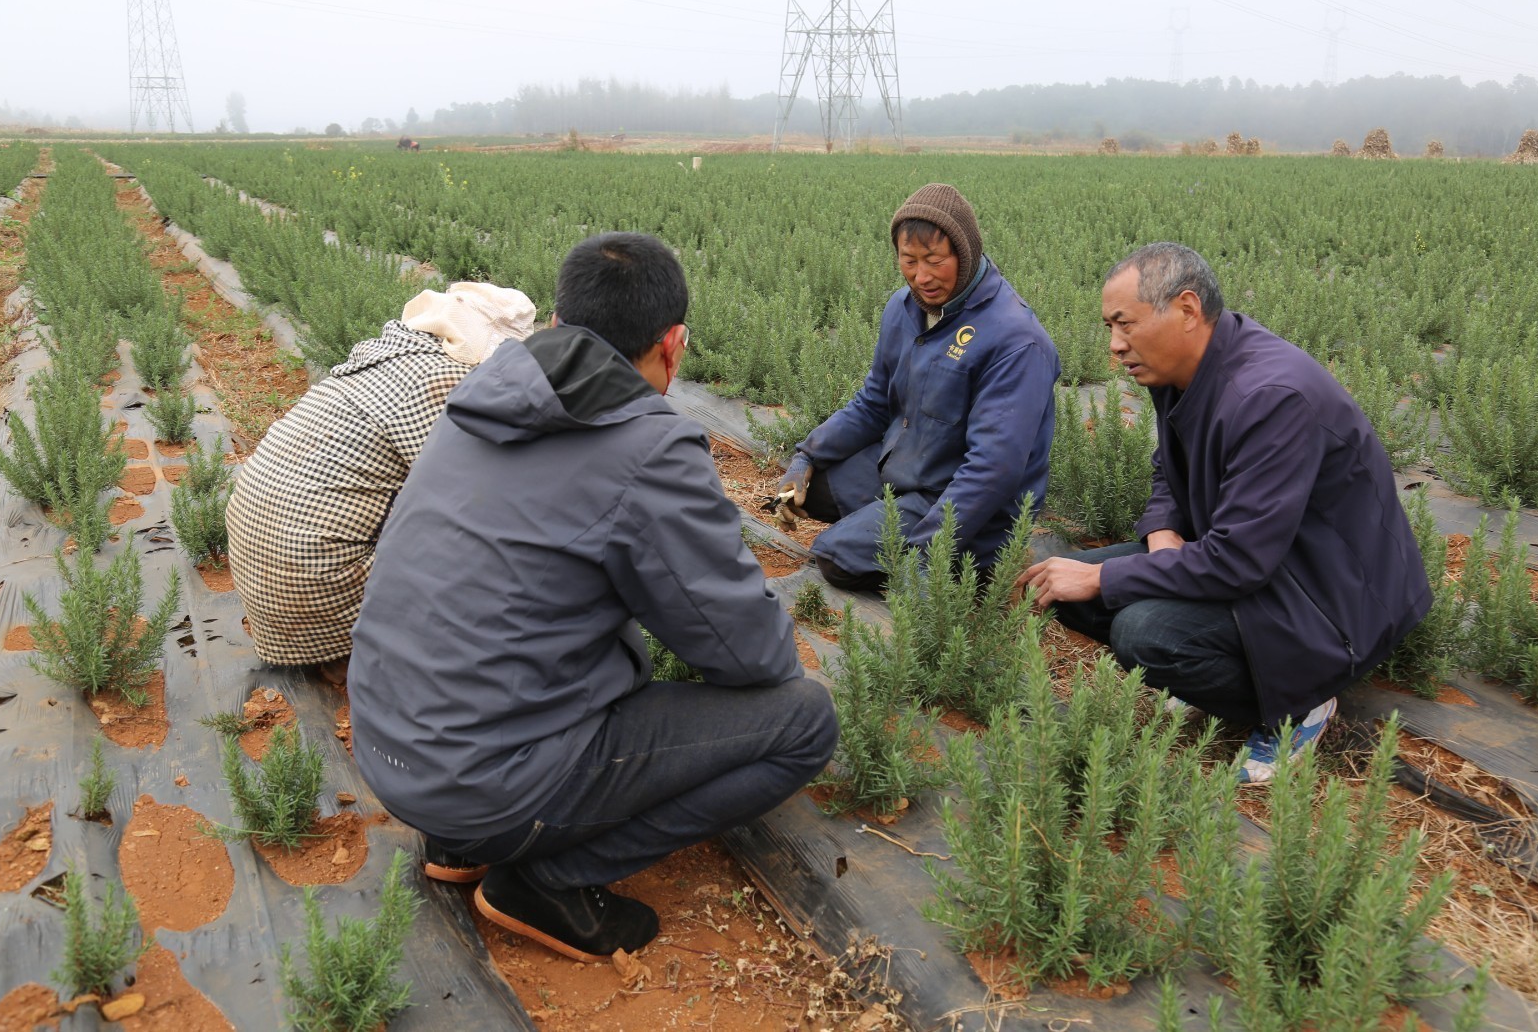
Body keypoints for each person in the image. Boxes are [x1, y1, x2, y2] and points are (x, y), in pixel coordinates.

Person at [347, 232, 837, 961]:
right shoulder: (651, 448)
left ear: (553, 324)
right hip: (485, 781)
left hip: (389, 745)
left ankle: (456, 844)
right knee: (803, 721)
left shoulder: (480, 396)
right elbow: (747, 653)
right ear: (673, 345)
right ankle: (549, 880)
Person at [1016, 242, 1431, 784]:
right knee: (1063, 584)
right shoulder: (1181, 369)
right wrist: (1162, 536)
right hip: (1266, 563)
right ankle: (1227, 682)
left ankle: (1301, 704)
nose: (1115, 346)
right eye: (1108, 327)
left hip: (1330, 599)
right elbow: (1169, 468)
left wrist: (1106, 575)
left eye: (1126, 325)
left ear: (1187, 310)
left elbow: (1238, 562)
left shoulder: (1271, 396)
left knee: (1142, 630)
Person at [226, 283, 536, 682]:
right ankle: (355, 649)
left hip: (267, 566)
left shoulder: (386, 358)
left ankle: (337, 644)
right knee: (477, 542)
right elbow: (472, 491)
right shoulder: (443, 378)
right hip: (312, 580)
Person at [775, 183, 1060, 590]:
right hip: (910, 463)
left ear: (965, 254)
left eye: (934, 261)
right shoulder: (904, 308)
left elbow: (992, 471)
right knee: (813, 489)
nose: (920, 276)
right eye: (908, 260)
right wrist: (806, 456)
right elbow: (874, 402)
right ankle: (883, 521)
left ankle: (972, 566)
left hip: (962, 496)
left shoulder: (1015, 340)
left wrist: (929, 550)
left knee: (836, 559)